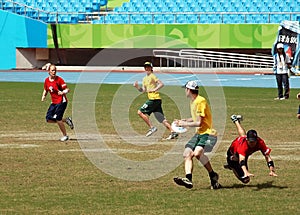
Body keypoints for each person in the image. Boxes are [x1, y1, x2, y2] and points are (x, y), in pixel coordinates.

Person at [173, 80, 221, 189]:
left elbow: (199, 123)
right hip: (199, 134)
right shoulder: (193, 101)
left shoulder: (200, 101)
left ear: (189, 90)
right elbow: (196, 118)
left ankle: (213, 175)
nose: (185, 91)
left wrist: (184, 124)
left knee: (198, 153)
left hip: (208, 133)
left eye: (186, 89)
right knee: (187, 153)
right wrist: (184, 120)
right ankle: (188, 179)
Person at [224, 114, 277, 184]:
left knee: (242, 135)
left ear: (257, 139)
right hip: (233, 154)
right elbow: (241, 160)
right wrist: (246, 172)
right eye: (250, 141)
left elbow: (267, 156)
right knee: (246, 180)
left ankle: (236, 120)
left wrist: (271, 170)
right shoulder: (243, 146)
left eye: (254, 141)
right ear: (247, 140)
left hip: (243, 151)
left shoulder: (260, 142)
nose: (252, 143)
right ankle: (231, 165)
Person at [133, 62, 178, 140]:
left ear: (151, 68)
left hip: (154, 99)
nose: (146, 68)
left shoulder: (152, 76)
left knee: (140, 112)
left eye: (148, 67)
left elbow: (161, 84)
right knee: (161, 119)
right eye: (145, 67)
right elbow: (143, 90)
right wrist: (137, 87)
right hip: (156, 100)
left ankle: (152, 127)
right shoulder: (144, 79)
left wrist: (154, 89)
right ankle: (173, 132)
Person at [41, 64, 74, 142]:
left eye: (55, 70)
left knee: (58, 119)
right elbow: (46, 89)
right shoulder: (46, 80)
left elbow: (67, 89)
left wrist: (62, 92)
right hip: (54, 102)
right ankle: (66, 120)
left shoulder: (59, 80)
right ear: (48, 71)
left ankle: (65, 136)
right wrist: (43, 96)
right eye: (52, 70)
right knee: (48, 119)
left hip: (62, 102)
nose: (54, 72)